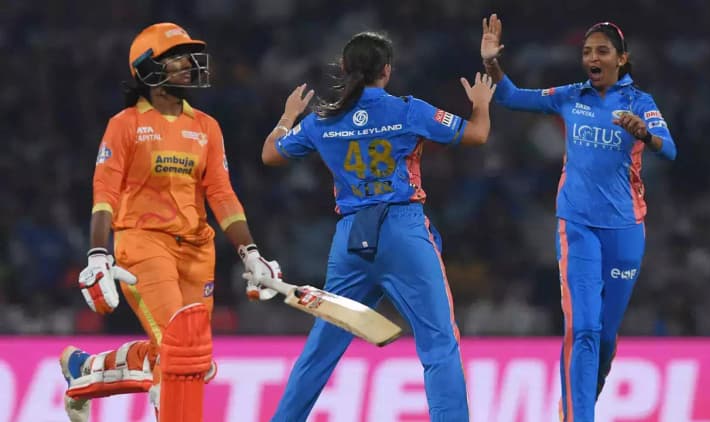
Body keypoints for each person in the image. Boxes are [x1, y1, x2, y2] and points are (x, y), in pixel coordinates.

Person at [258, 31, 495, 421]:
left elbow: (270, 154)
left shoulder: (322, 120)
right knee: (438, 343)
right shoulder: (408, 110)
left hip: (350, 241)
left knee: (320, 351)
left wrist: (287, 117)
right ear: (387, 70)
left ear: (344, 68)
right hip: (403, 233)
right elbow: (477, 134)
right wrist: (481, 104)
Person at [58, 22, 279, 422]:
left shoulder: (206, 127)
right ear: (148, 68)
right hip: (143, 244)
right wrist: (97, 254)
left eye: (188, 57)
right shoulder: (125, 124)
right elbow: (104, 192)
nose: (189, 65)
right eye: (176, 58)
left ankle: (85, 371)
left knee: (198, 364)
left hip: (197, 251)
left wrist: (251, 253)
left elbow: (222, 195)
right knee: (179, 355)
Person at [479, 13, 677, 422]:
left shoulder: (639, 103)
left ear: (621, 59)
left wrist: (644, 133)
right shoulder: (570, 96)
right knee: (583, 328)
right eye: (587, 52)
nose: (592, 58)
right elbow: (512, 97)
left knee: (604, 337)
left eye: (602, 51)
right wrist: (492, 63)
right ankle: (576, 415)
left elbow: (669, 148)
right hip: (577, 227)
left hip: (625, 230)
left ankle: (577, 401)